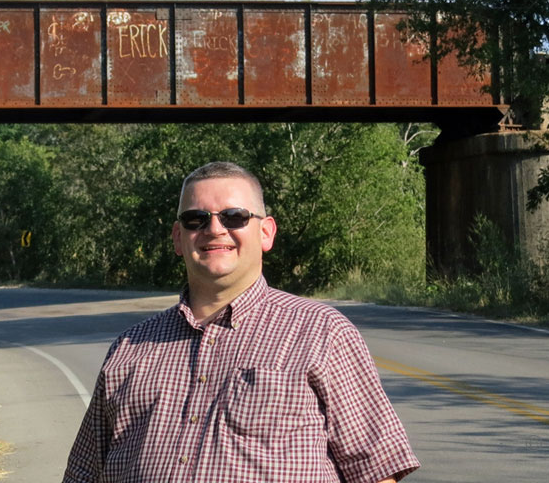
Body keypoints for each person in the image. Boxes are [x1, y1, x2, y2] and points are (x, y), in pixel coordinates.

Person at [62, 161, 419, 482]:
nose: (214, 229)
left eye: (234, 217)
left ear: (266, 232)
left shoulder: (322, 332)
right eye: (196, 219)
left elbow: (375, 470)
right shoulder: (129, 349)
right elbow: (84, 473)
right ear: (177, 237)